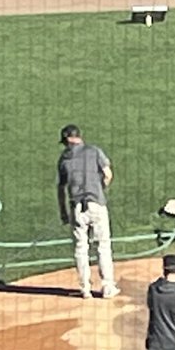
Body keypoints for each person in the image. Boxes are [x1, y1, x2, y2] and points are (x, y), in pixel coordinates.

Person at [56, 124, 120, 299]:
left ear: (68, 140)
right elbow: (108, 174)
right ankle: (108, 287)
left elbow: (61, 189)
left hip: (77, 207)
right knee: (103, 246)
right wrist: (100, 189)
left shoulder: (64, 159)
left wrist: (63, 213)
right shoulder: (94, 151)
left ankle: (85, 288)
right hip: (96, 203)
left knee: (80, 248)